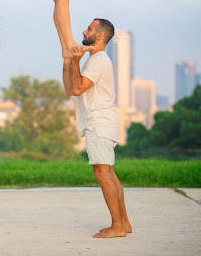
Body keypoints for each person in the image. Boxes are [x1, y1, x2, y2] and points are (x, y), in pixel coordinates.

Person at [62, 18, 132, 238]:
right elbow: (70, 88)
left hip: (99, 123)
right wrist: (70, 60)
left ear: (100, 35)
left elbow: (78, 88)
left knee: (102, 173)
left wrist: (75, 61)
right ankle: (124, 223)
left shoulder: (98, 60)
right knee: (108, 172)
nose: (84, 31)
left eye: (89, 29)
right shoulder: (94, 60)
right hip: (101, 122)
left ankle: (118, 227)